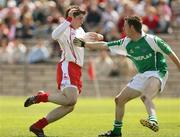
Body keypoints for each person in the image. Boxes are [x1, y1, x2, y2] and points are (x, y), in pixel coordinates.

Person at [74, 16, 180, 137]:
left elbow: (171, 53)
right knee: (119, 100)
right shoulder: (126, 42)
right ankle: (116, 132)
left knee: (146, 97)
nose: (122, 28)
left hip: (157, 72)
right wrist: (84, 44)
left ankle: (153, 120)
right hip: (142, 75)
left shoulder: (152, 40)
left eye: (125, 26)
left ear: (132, 28)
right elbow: (105, 45)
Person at [24, 5, 103, 137]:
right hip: (68, 66)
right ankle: (41, 97)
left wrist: (97, 36)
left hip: (77, 69)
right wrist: (68, 20)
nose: (82, 21)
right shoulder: (64, 28)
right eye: (79, 18)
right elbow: (54, 35)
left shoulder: (80, 30)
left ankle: (38, 126)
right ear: (71, 18)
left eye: (82, 18)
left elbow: (84, 39)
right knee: (71, 100)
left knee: (70, 105)